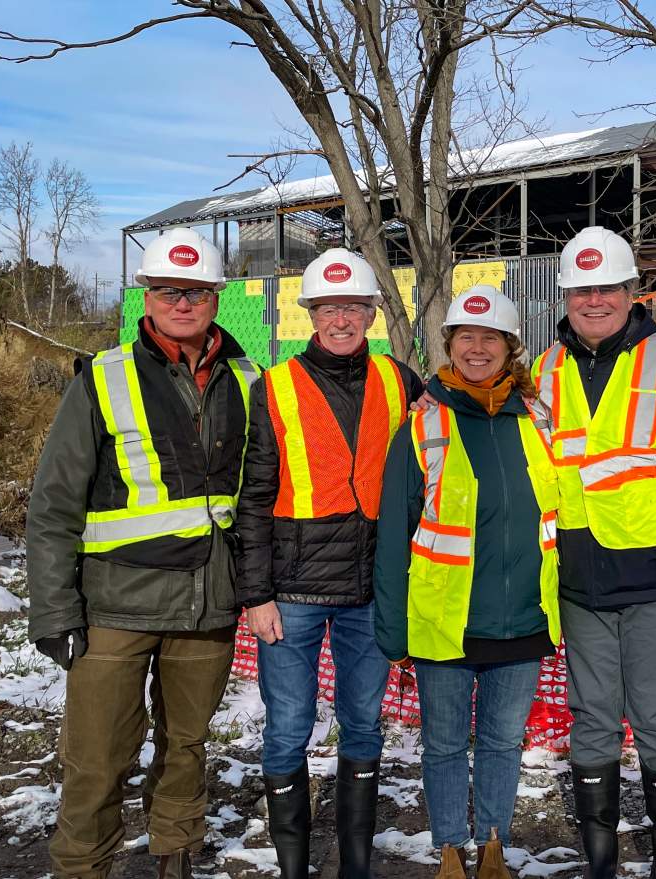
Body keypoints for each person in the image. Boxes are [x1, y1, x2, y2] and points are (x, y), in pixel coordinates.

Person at [26, 227, 261, 879]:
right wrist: (53, 611)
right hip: (114, 608)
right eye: (166, 291)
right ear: (146, 297)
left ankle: (174, 860)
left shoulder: (249, 378)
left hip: (208, 606)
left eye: (194, 291)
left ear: (216, 296)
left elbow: (264, 493)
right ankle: (83, 867)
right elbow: (52, 505)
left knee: (186, 748)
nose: (181, 303)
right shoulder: (103, 378)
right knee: (97, 756)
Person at [532, 227, 656, 879]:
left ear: (630, 292)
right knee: (591, 719)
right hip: (580, 585)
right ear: (566, 295)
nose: (594, 301)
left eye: (607, 288)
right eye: (582, 290)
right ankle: (601, 856)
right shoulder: (545, 370)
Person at [235, 248, 423, 879]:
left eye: (352, 306)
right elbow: (254, 497)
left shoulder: (401, 380)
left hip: (371, 590)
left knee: (363, 725)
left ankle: (356, 865)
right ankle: (293, 868)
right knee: (288, 726)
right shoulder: (276, 386)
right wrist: (254, 595)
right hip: (291, 593)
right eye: (328, 308)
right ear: (309, 314)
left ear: (371, 311)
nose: (341, 319)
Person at [374, 286, 561, 879]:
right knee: (447, 746)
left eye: (491, 338)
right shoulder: (423, 423)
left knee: (505, 745)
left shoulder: (537, 420)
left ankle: (494, 847)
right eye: (466, 337)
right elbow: (393, 529)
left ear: (511, 348)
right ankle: (452, 848)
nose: (478, 349)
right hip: (443, 621)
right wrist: (392, 626)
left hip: (525, 619)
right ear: (450, 346)